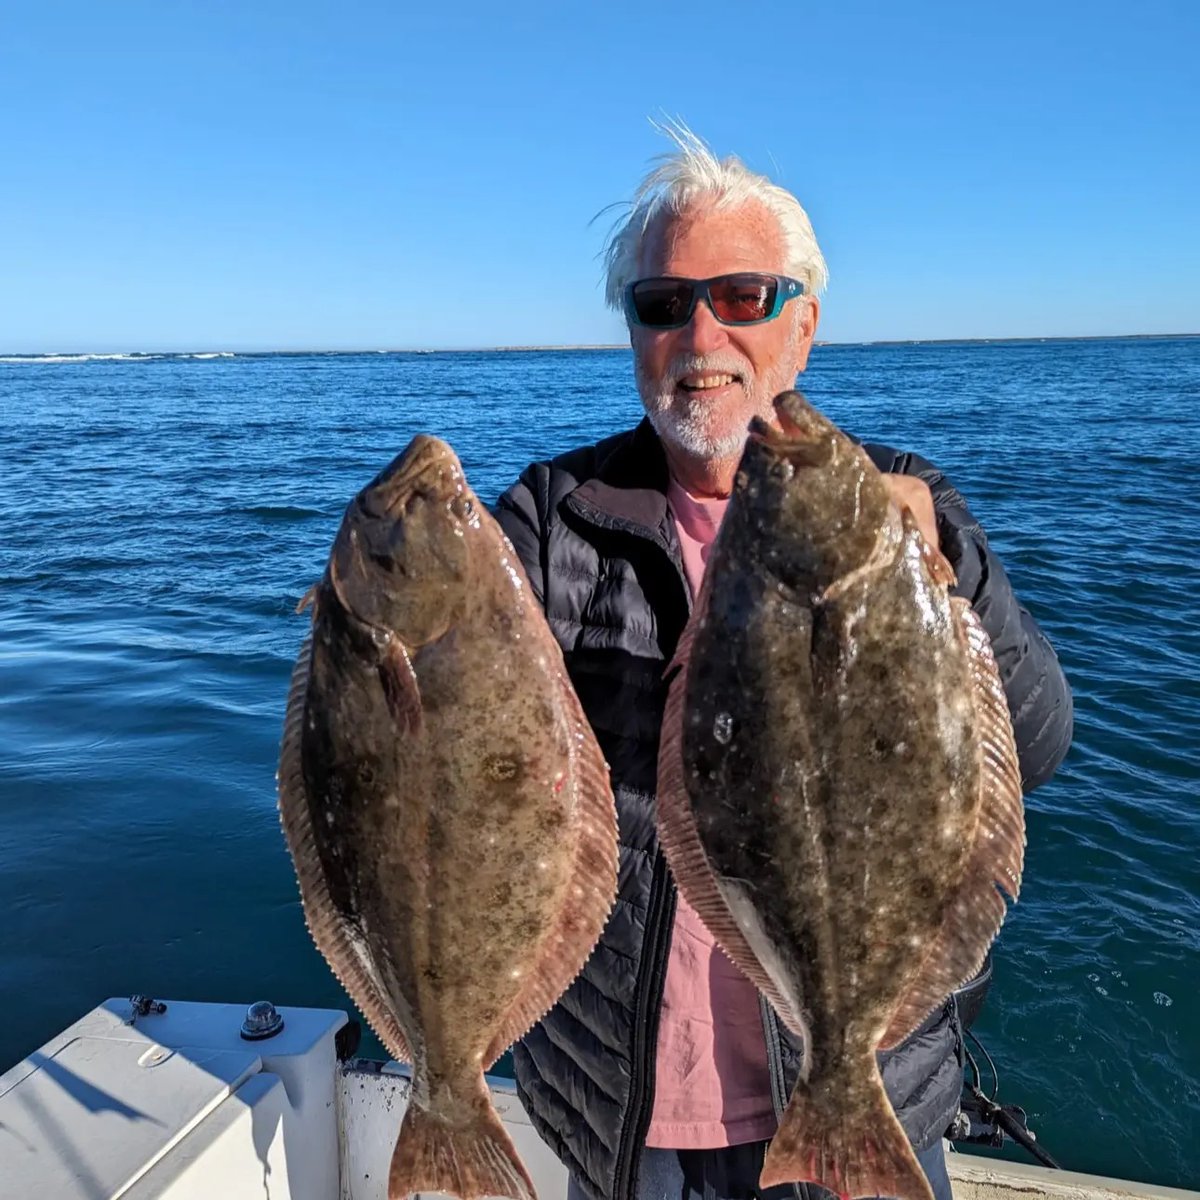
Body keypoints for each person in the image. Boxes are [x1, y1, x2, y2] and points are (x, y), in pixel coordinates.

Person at [494, 129, 1073, 1200]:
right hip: (625, 1115)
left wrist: (947, 581)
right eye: (663, 303)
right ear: (633, 334)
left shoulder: (909, 510)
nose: (701, 331)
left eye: (743, 295)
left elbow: (1035, 745)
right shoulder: (548, 520)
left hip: (866, 1088)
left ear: (803, 326)